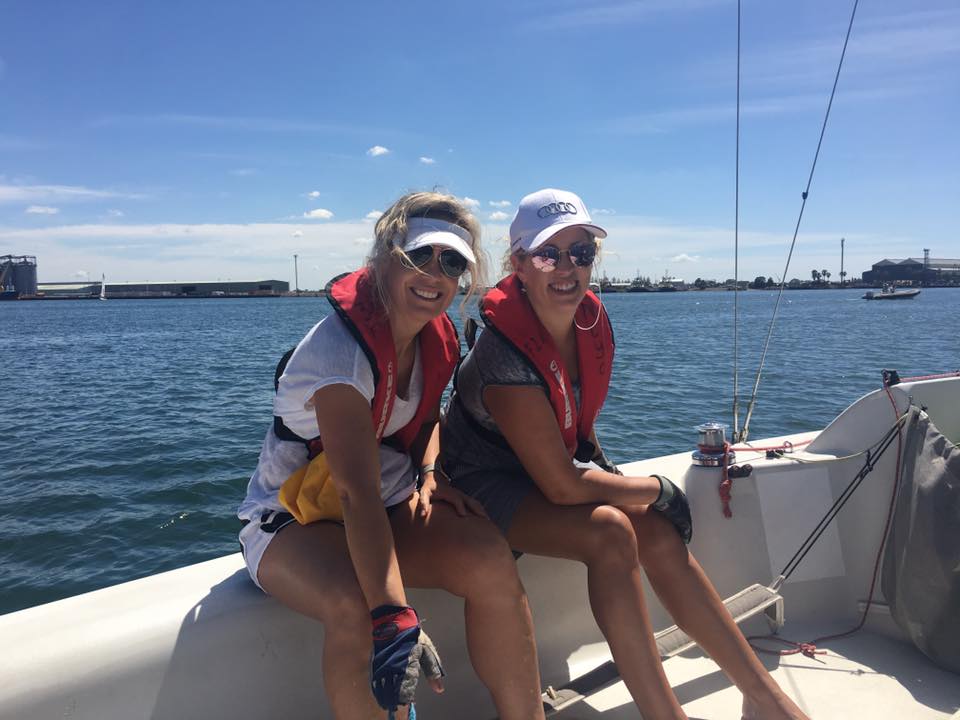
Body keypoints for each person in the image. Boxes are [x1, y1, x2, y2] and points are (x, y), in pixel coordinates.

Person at [441, 188, 811, 720]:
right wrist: (659, 489)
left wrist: (642, 499)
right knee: (613, 532)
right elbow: (562, 487)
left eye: (581, 253)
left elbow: (575, 437)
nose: (567, 268)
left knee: (657, 532)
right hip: (484, 481)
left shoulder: (589, 319)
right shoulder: (503, 355)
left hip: (547, 470)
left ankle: (764, 697)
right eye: (548, 254)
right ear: (519, 265)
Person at [238, 192, 544, 720]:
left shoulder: (437, 338)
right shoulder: (339, 353)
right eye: (418, 255)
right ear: (383, 260)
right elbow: (356, 493)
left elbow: (425, 422)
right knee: (360, 609)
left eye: (452, 261)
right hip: (290, 521)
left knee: (490, 559)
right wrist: (392, 615)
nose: (435, 272)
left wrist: (429, 472)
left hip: (384, 505)